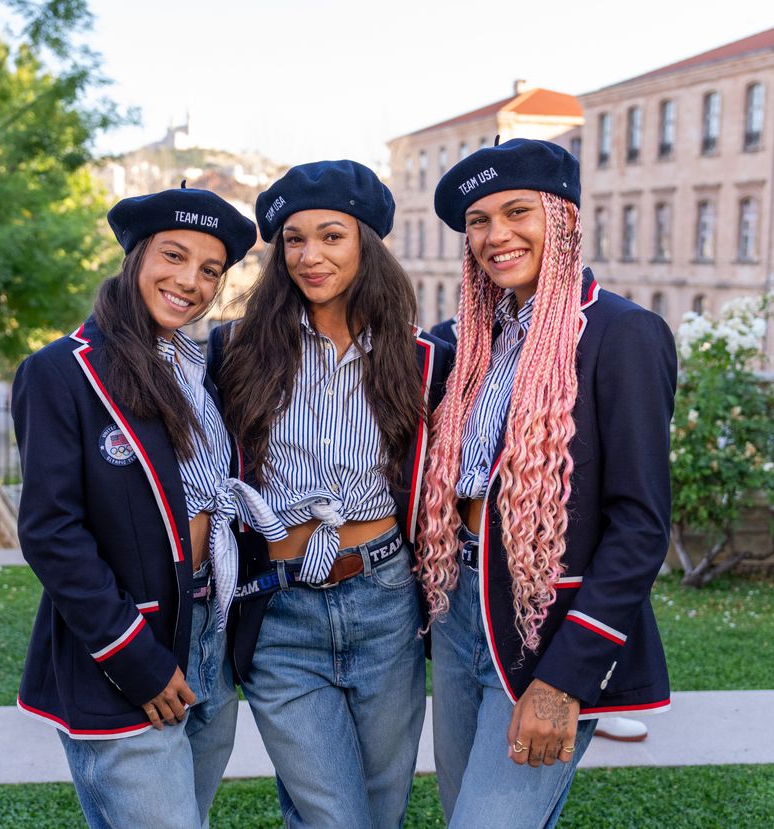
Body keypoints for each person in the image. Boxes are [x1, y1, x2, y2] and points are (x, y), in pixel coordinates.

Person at [415, 138, 677, 828]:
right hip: (458, 607)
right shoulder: (472, 340)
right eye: (479, 221)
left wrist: (565, 678)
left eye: (517, 212)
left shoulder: (623, 334)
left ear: (561, 219)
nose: (496, 235)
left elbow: (641, 523)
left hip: (544, 627)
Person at [11, 185, 285, 829]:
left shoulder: (201, 367)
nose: (189, 281)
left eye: (210, 270)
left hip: (208, 635)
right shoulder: (61, 372)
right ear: (135, 256)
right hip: (125, 646)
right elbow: (52, 533)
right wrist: (133, 656)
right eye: (173, 255)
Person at [208, 160, 452, 829]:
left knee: (379, 808)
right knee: (333, 816)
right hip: (280, 610)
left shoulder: (420, 358)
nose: (310, 255)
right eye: (293, 239)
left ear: (366, 244)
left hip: (384, 603)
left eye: (331, 236)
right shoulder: (234, 353)